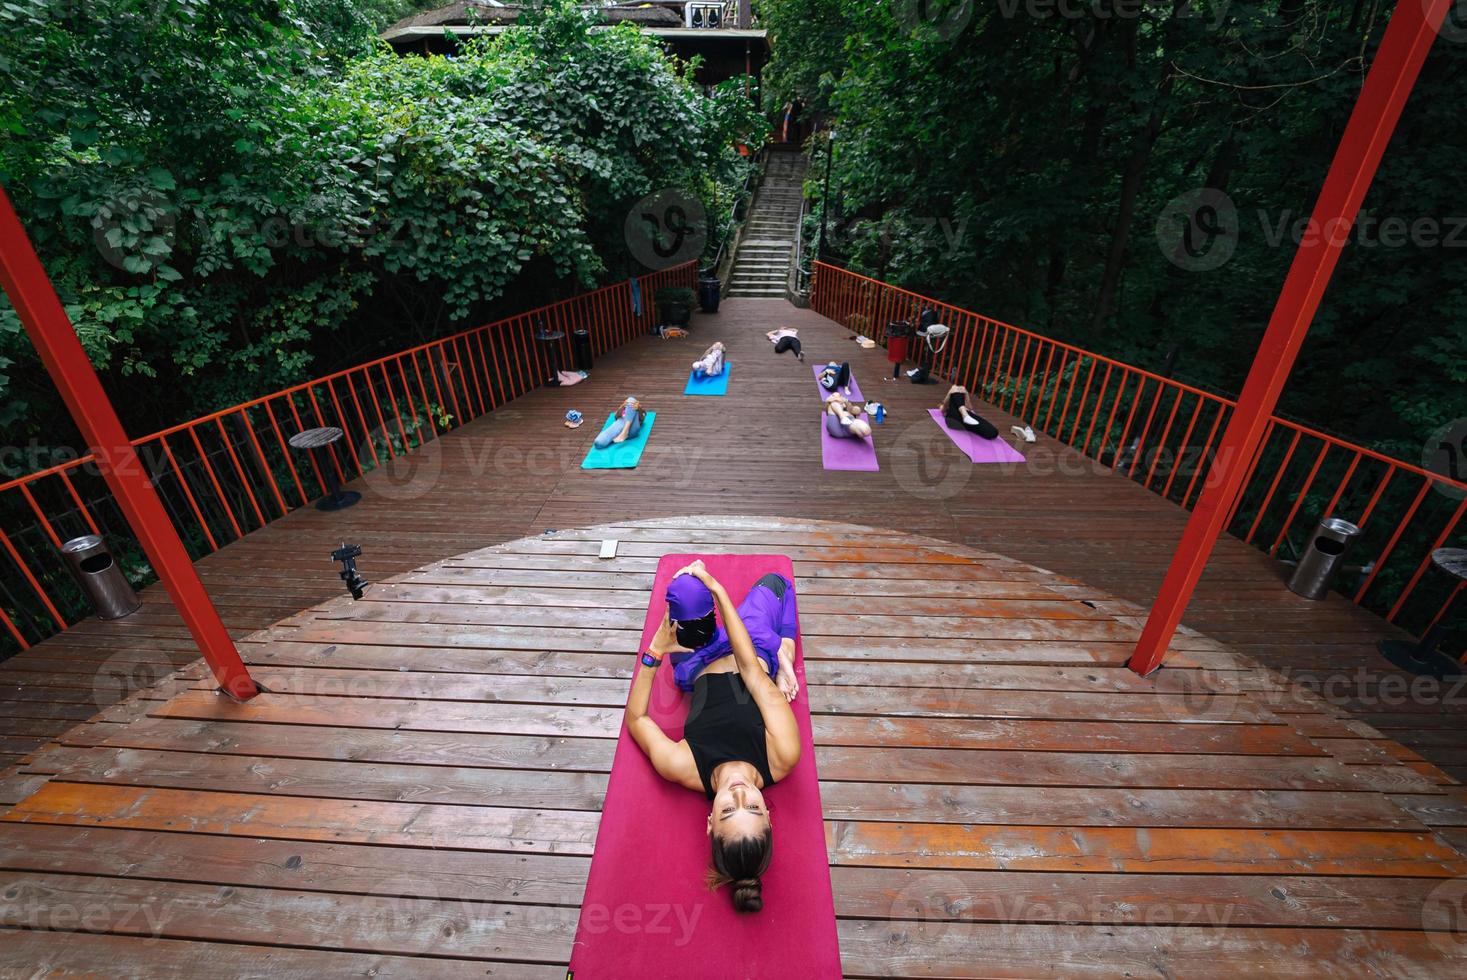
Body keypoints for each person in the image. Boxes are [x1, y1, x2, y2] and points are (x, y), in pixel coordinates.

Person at [624, 561, 802, 914]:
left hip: (697, 660)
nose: (738, 794)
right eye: (751, 807)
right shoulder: (781, 755)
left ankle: (784, 652)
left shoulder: (683, 766)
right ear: (768, 814)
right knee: (776, 582)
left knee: (687, 588)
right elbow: (750, 669)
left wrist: (656, 650)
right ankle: (784, 654)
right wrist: (718, 589)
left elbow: (637, 719)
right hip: (753, 649)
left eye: (727, 810)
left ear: (709, 822)